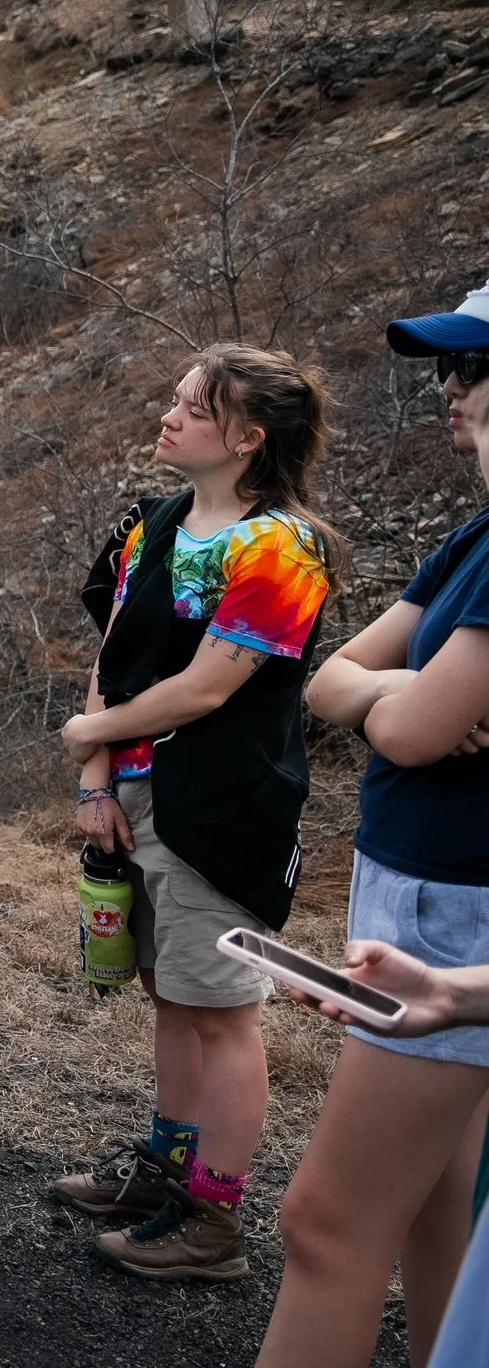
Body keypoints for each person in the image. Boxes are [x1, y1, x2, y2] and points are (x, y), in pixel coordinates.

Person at [48, 347, 335, 1283]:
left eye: (194, 410)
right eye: (174, 402)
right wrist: (96, 772)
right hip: (133, 792)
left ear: (248, 439)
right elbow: (119, 649)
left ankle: (213, 1218)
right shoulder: (155, 522)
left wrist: (93, 728)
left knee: (223, 1015)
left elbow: (207, 689)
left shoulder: (283, 550)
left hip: (223, 807)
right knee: (172, 992)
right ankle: (165, 1169)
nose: (168, 418)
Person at [256, 286, 489, 1368]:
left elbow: (405, 729)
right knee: (441, 1218)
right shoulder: (472, 536)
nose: (451, 390)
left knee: (327, 1222)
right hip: (419, 888)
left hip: (454, 907)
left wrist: (397, 709)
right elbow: (338, 678)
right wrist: (399, 702)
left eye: (473, 368)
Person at [288, 941, 489, 1368]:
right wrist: (452, 994)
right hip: (433, 907)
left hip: (451, 906)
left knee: (326, 1229)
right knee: (443, 1208)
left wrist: (452, 992)